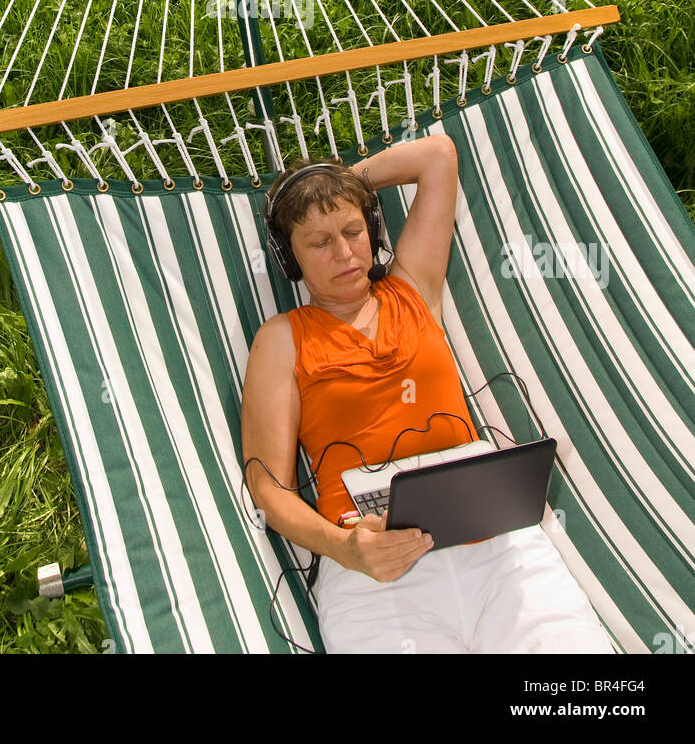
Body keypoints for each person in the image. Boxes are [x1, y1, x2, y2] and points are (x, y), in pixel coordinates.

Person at [240, 139, 616, 654]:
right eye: (318, 242)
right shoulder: (281, 339)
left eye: (353, 230)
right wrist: (345, 550)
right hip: (374, 567)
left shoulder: (413, 286)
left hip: (494, 541)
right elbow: (269, 488)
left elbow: (437, 156)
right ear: (290, 259)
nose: (346, 252)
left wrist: (332, 184)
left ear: (371, 230)